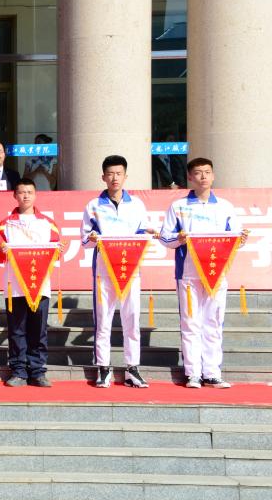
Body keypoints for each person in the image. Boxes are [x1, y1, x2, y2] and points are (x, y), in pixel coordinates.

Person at [159, 157, 249, 389]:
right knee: (191, 323)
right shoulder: (179, 206)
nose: (203, 177)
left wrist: (241, 239)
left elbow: (234, 239)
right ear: (190, 177)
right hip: (188, 274)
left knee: (213, 322)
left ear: (213, 175)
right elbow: (165, 238)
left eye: (207, 172)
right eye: (198, 173)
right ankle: (193, 373)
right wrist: (178, 239)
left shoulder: (225, 207)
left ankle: (212, 373)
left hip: (216, 274)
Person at [80, 155, 153, 389]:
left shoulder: (137, 205)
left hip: (130, 269)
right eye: (110, 174)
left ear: (125, 176)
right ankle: (104, 367)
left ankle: (132, 368)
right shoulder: (93, 205)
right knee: (103, 320)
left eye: (119, 173)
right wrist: (92, 238)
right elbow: (85, 239)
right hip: (104, 271)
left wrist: (147, 233)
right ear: (103, 177)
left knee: (132, 319)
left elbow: (142, 232)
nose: (114, 178)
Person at [0, 178, 67, 387]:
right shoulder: (6, 224)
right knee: (17, 330)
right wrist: (2, 250)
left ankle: (38, 371)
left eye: (29, 192)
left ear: (35, 195)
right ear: (14, 195)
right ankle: (18, 371)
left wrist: (59, 250)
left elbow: (55, 251)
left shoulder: (47, 223)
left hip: (40, 285)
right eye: (22, 192)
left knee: (38, 330)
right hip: (14, 286)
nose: (26, 196)